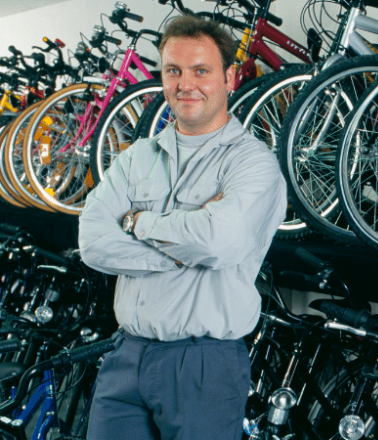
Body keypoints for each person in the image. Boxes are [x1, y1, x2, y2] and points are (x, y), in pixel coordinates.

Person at [78, 14, 286, 440]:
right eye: (173, 70)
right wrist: (182, 249)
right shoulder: (138, 155)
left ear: (229, 77)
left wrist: (137, 222)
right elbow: (93, 242)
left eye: (201, 70)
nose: (184, 83)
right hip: (126, 355)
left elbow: (220, 243)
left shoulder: (252, 164)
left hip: (203, 364)